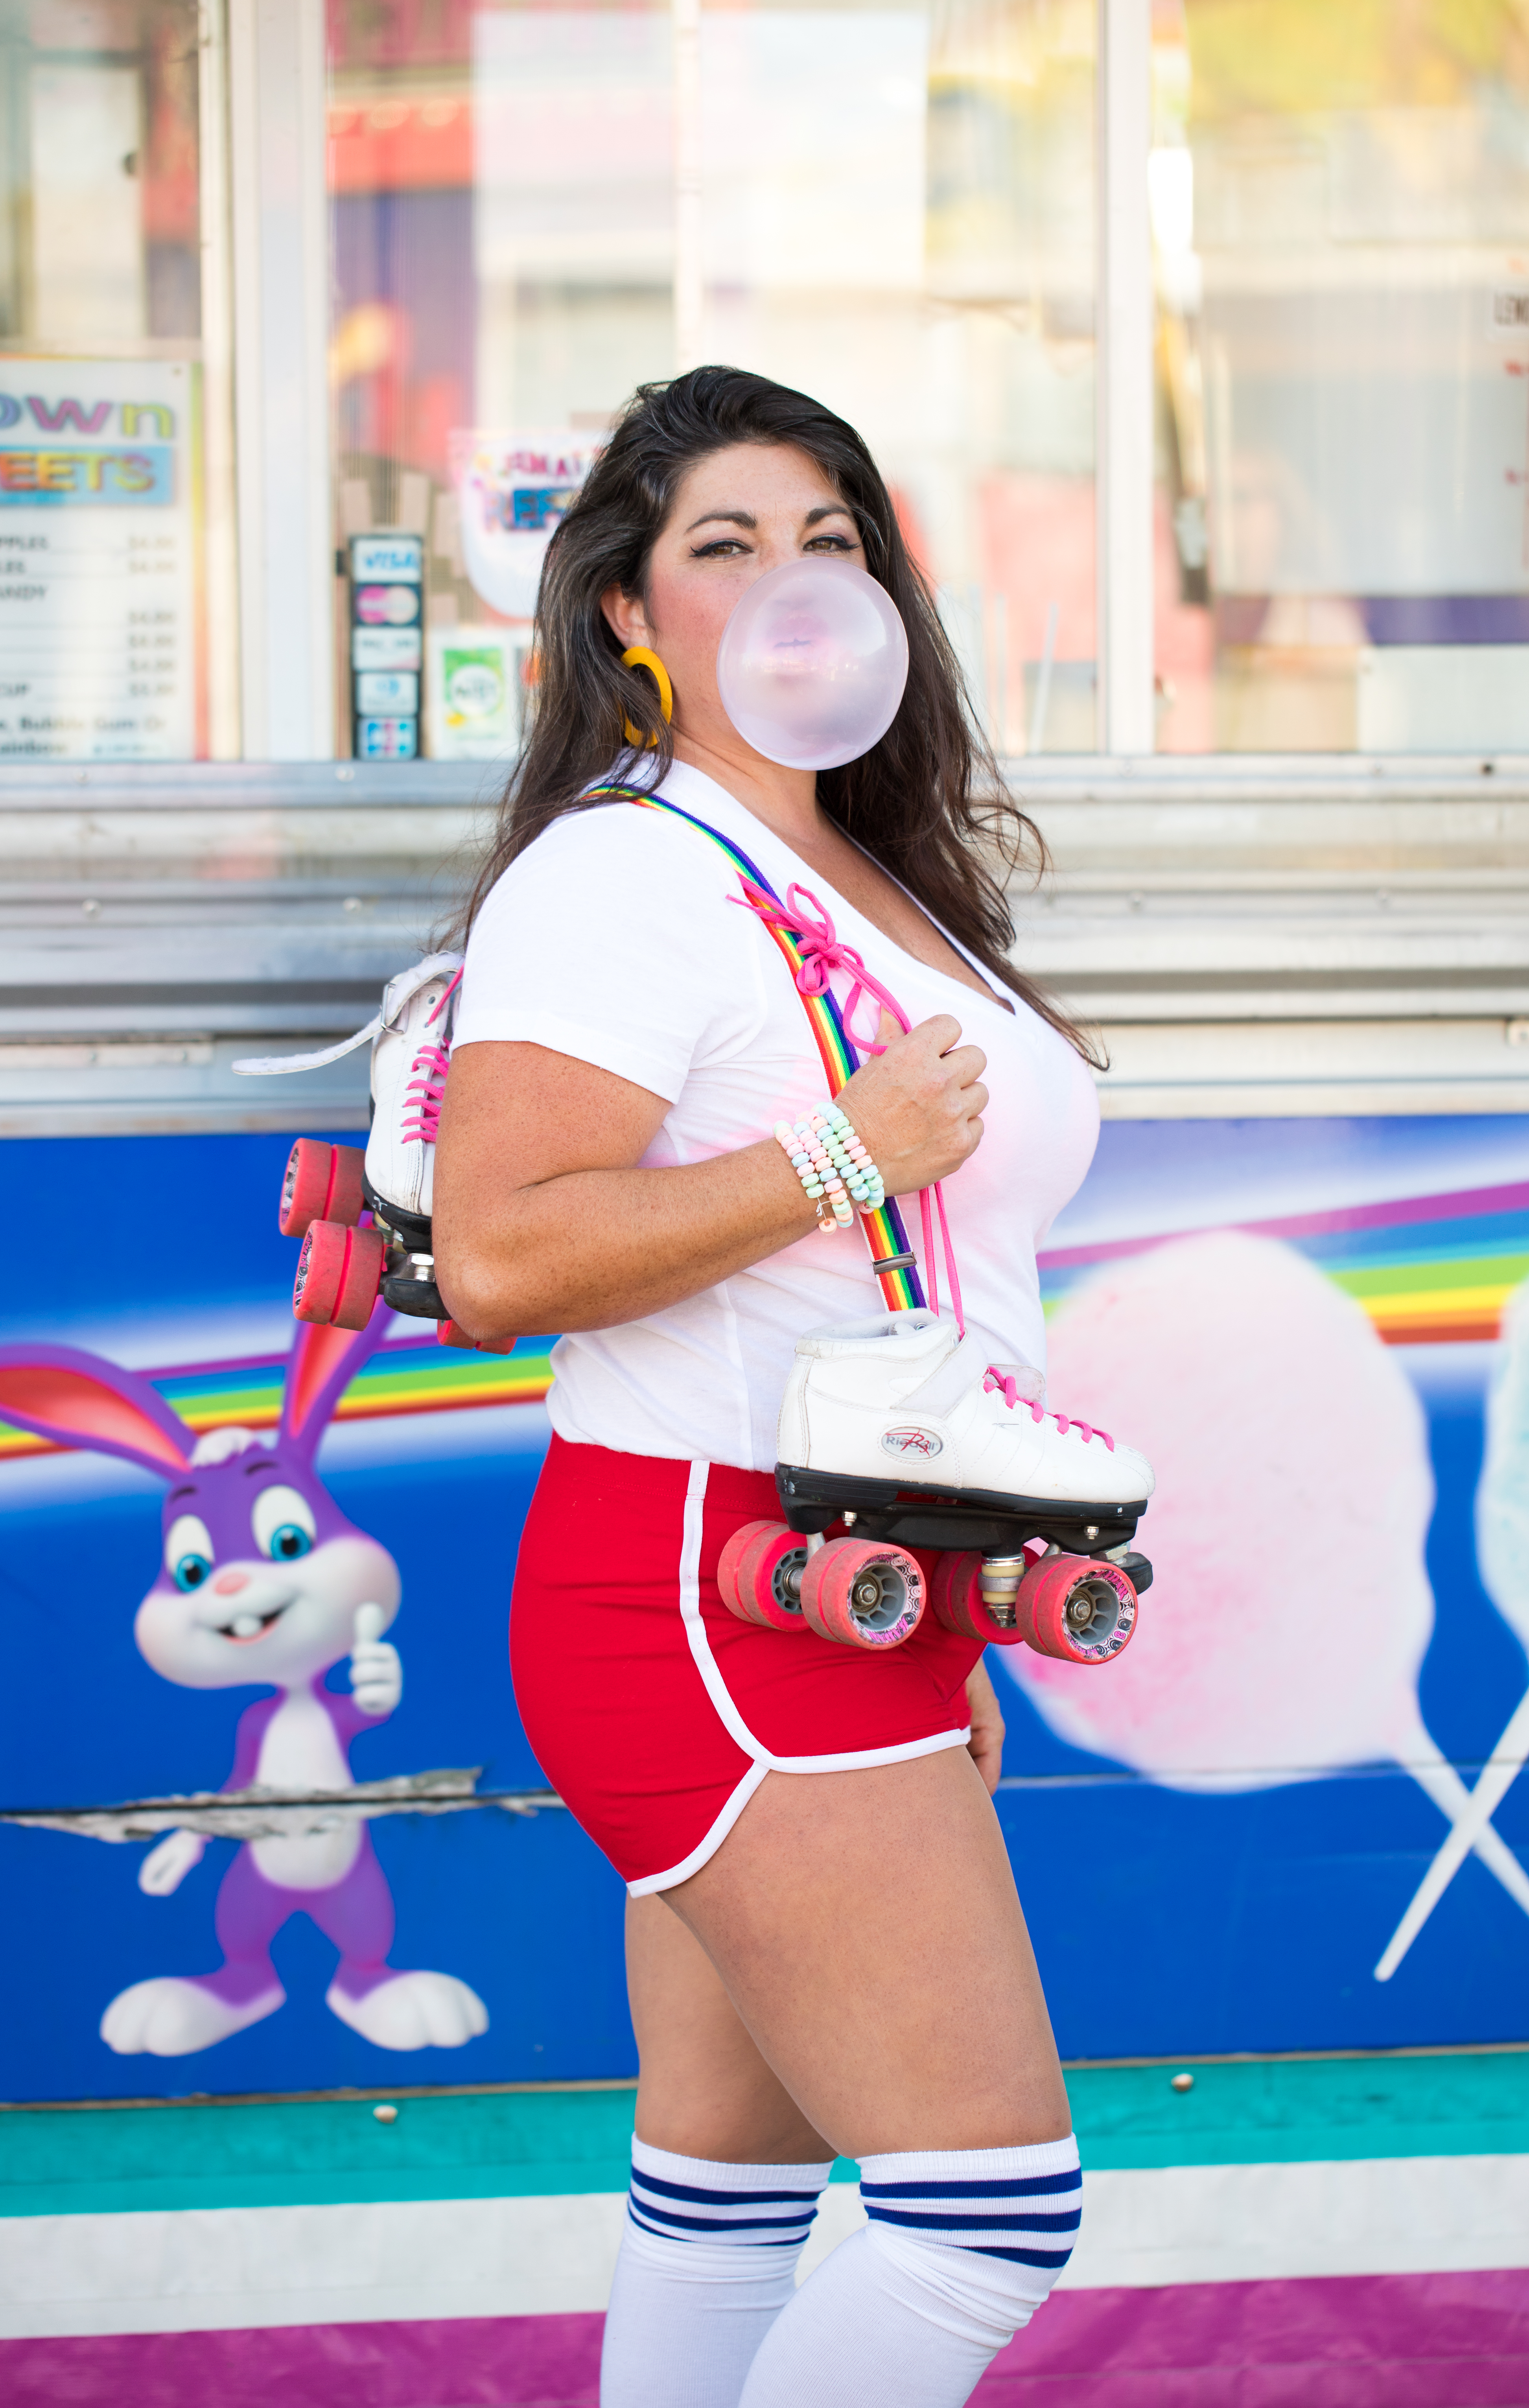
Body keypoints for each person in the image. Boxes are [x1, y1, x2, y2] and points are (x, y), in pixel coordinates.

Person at [433, 366, 1118, 2406]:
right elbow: (498, 1254)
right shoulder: (624, 872)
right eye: (723, 546)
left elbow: (919, 1271)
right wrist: (841, 1150)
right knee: (980, 2213)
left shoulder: (845, 867)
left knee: (723, 2205)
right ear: (629, 616)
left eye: (826, 538)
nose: (789, 581)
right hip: (710, 1592)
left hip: (851, 1570)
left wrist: (954, 1587)